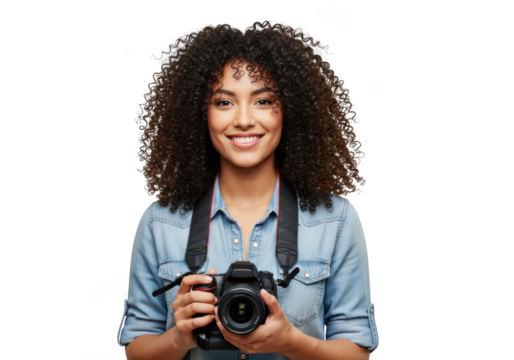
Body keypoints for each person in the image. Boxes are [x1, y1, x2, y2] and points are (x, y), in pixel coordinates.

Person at [117, 20, 379, 360]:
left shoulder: (336, 220)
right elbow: (136, 350)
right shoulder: (160, 221)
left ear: (290, 110)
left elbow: (358, 355)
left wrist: (290, 342)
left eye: (263, 100)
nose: (243, 119)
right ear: (200, 112)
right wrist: (179, 338)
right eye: (224, 102)